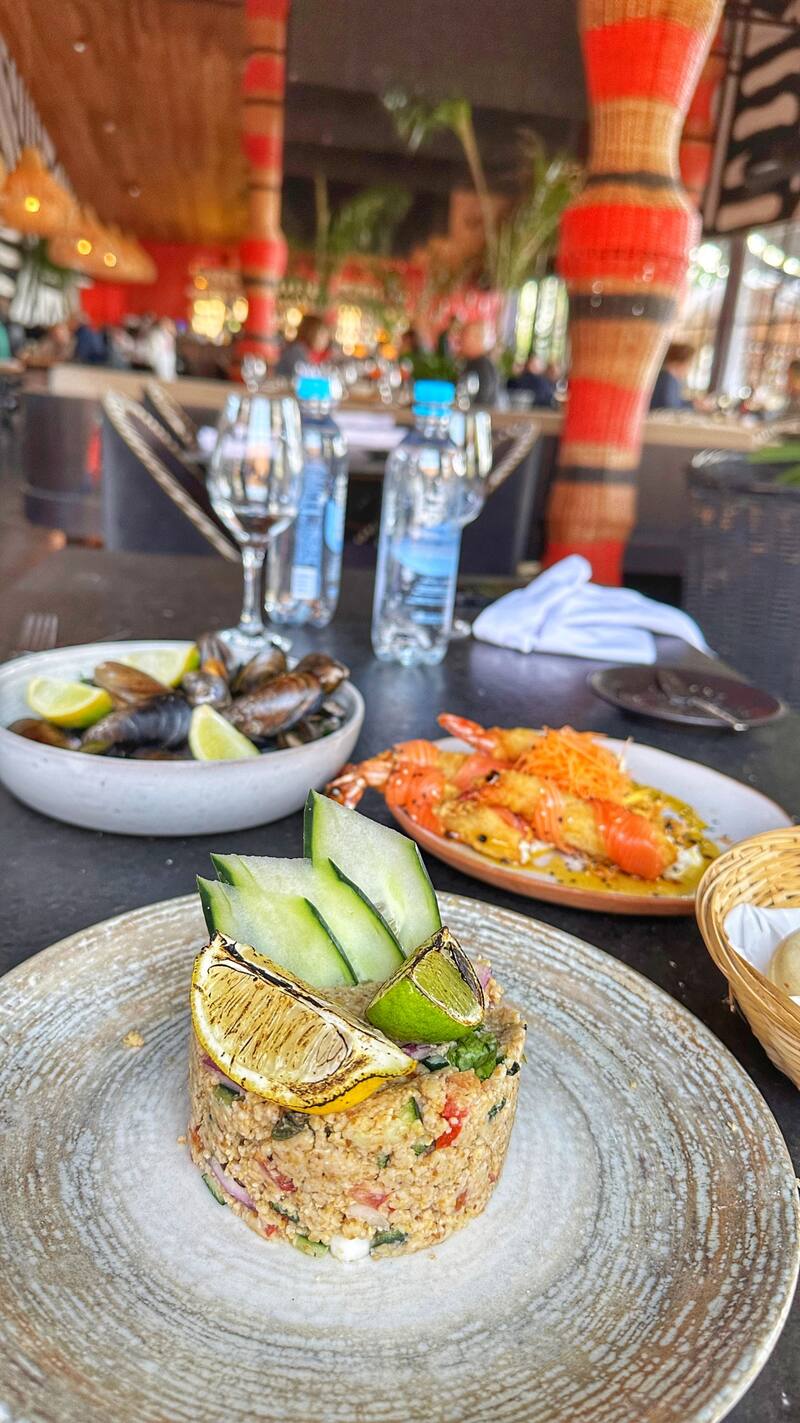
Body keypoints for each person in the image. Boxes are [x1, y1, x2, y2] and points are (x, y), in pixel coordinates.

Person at [276, 313, 329, 378]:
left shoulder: (307, 352)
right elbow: (305, 379)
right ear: (310, 333)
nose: (326, 338)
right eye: (322, 333)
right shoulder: (296, 351)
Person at [459, 320, 498, 406]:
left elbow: (481, 400)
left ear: (478, 338)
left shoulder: (481, 365)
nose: (460, 339)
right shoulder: (472, 362)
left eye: (465, 335)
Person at [650, 342, 696, 411]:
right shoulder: (666, 378)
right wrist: (693, 406)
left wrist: (693, 403)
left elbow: (676, 403)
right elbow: (670, 408)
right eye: (689, 363)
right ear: (680, 362)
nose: (690, 367)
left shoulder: (672, 378)